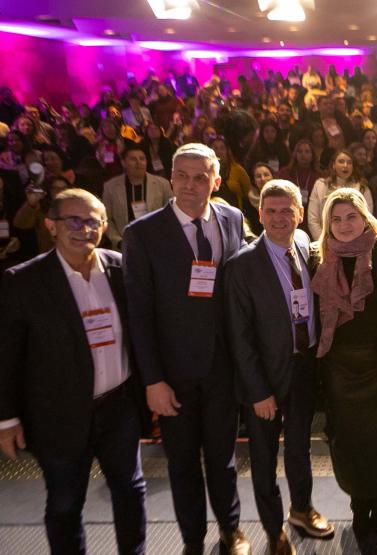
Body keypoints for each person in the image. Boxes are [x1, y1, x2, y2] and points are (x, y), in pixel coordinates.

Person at [0, 189, 147, 555]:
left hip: (118, 409)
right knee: (65, 503)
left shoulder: (120, 268)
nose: (85, 229)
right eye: (74, 221)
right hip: (57, 414)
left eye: (94, 221)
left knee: (130, 492)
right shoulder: (23, 281)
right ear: (51, 226)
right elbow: (6, 356)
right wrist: (6, 419)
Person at [121, 143, 250, 555]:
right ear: (170, 178)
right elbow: (138, 315)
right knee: (181, 463)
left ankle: (231, 529)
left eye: (201, 177)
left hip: (223, 367)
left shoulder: (232, 217)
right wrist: (153, 380)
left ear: (216, 180)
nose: (191, 185)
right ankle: (193, 540)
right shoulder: (141, 234)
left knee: (223, 459)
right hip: (172, 374)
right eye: (183, 175)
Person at [224, 180, 334, 555]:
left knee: (301, 447)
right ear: (259, 215)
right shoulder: (241, 265)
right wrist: (258, 391)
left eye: (287, 210)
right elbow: (239, 337)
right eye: (271, 211)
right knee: (264, 457)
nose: (279, 218)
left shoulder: (305, 245)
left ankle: (301, 509)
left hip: (304, 367)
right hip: (265, 378)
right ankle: (274, 530)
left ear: (300, 214)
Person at [311, 188, 377, 553]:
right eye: (336, 218)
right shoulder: (319, 258)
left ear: (365, 218)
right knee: (346, 443)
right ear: (327, 223)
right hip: (338, 367)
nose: (344, 225)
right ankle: (358, 504)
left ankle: (376, 508)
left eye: (351, 217)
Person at [102, 143, 173, 248]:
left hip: (155, 243)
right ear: (123, 163)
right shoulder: (110, 187)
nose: (139, 163)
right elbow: (107, 218)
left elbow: (171, 214)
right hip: (124, 245)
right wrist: (118, 241)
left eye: (142, 159)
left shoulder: (162, 184)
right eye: (133, 159)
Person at [307, 149, 373, 238]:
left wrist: (351, 242)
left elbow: (367, 219)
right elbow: (313, 219)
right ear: (334, 165)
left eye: (349, 163)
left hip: (354, 242)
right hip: (325, 242)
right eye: (341, 162)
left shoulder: (362, 188)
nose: (345, 165)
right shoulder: (320, 185)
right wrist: (323, 242)